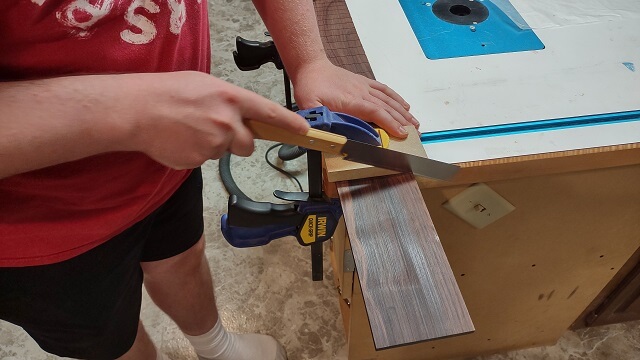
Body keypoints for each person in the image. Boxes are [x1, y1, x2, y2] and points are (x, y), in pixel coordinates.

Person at [0, 1, 417, 359]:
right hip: (39, 233)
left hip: (165, 161)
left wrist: (309, 60)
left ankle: (215, 345)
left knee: (181, 258)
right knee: (109, 337)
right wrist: (129, 112)